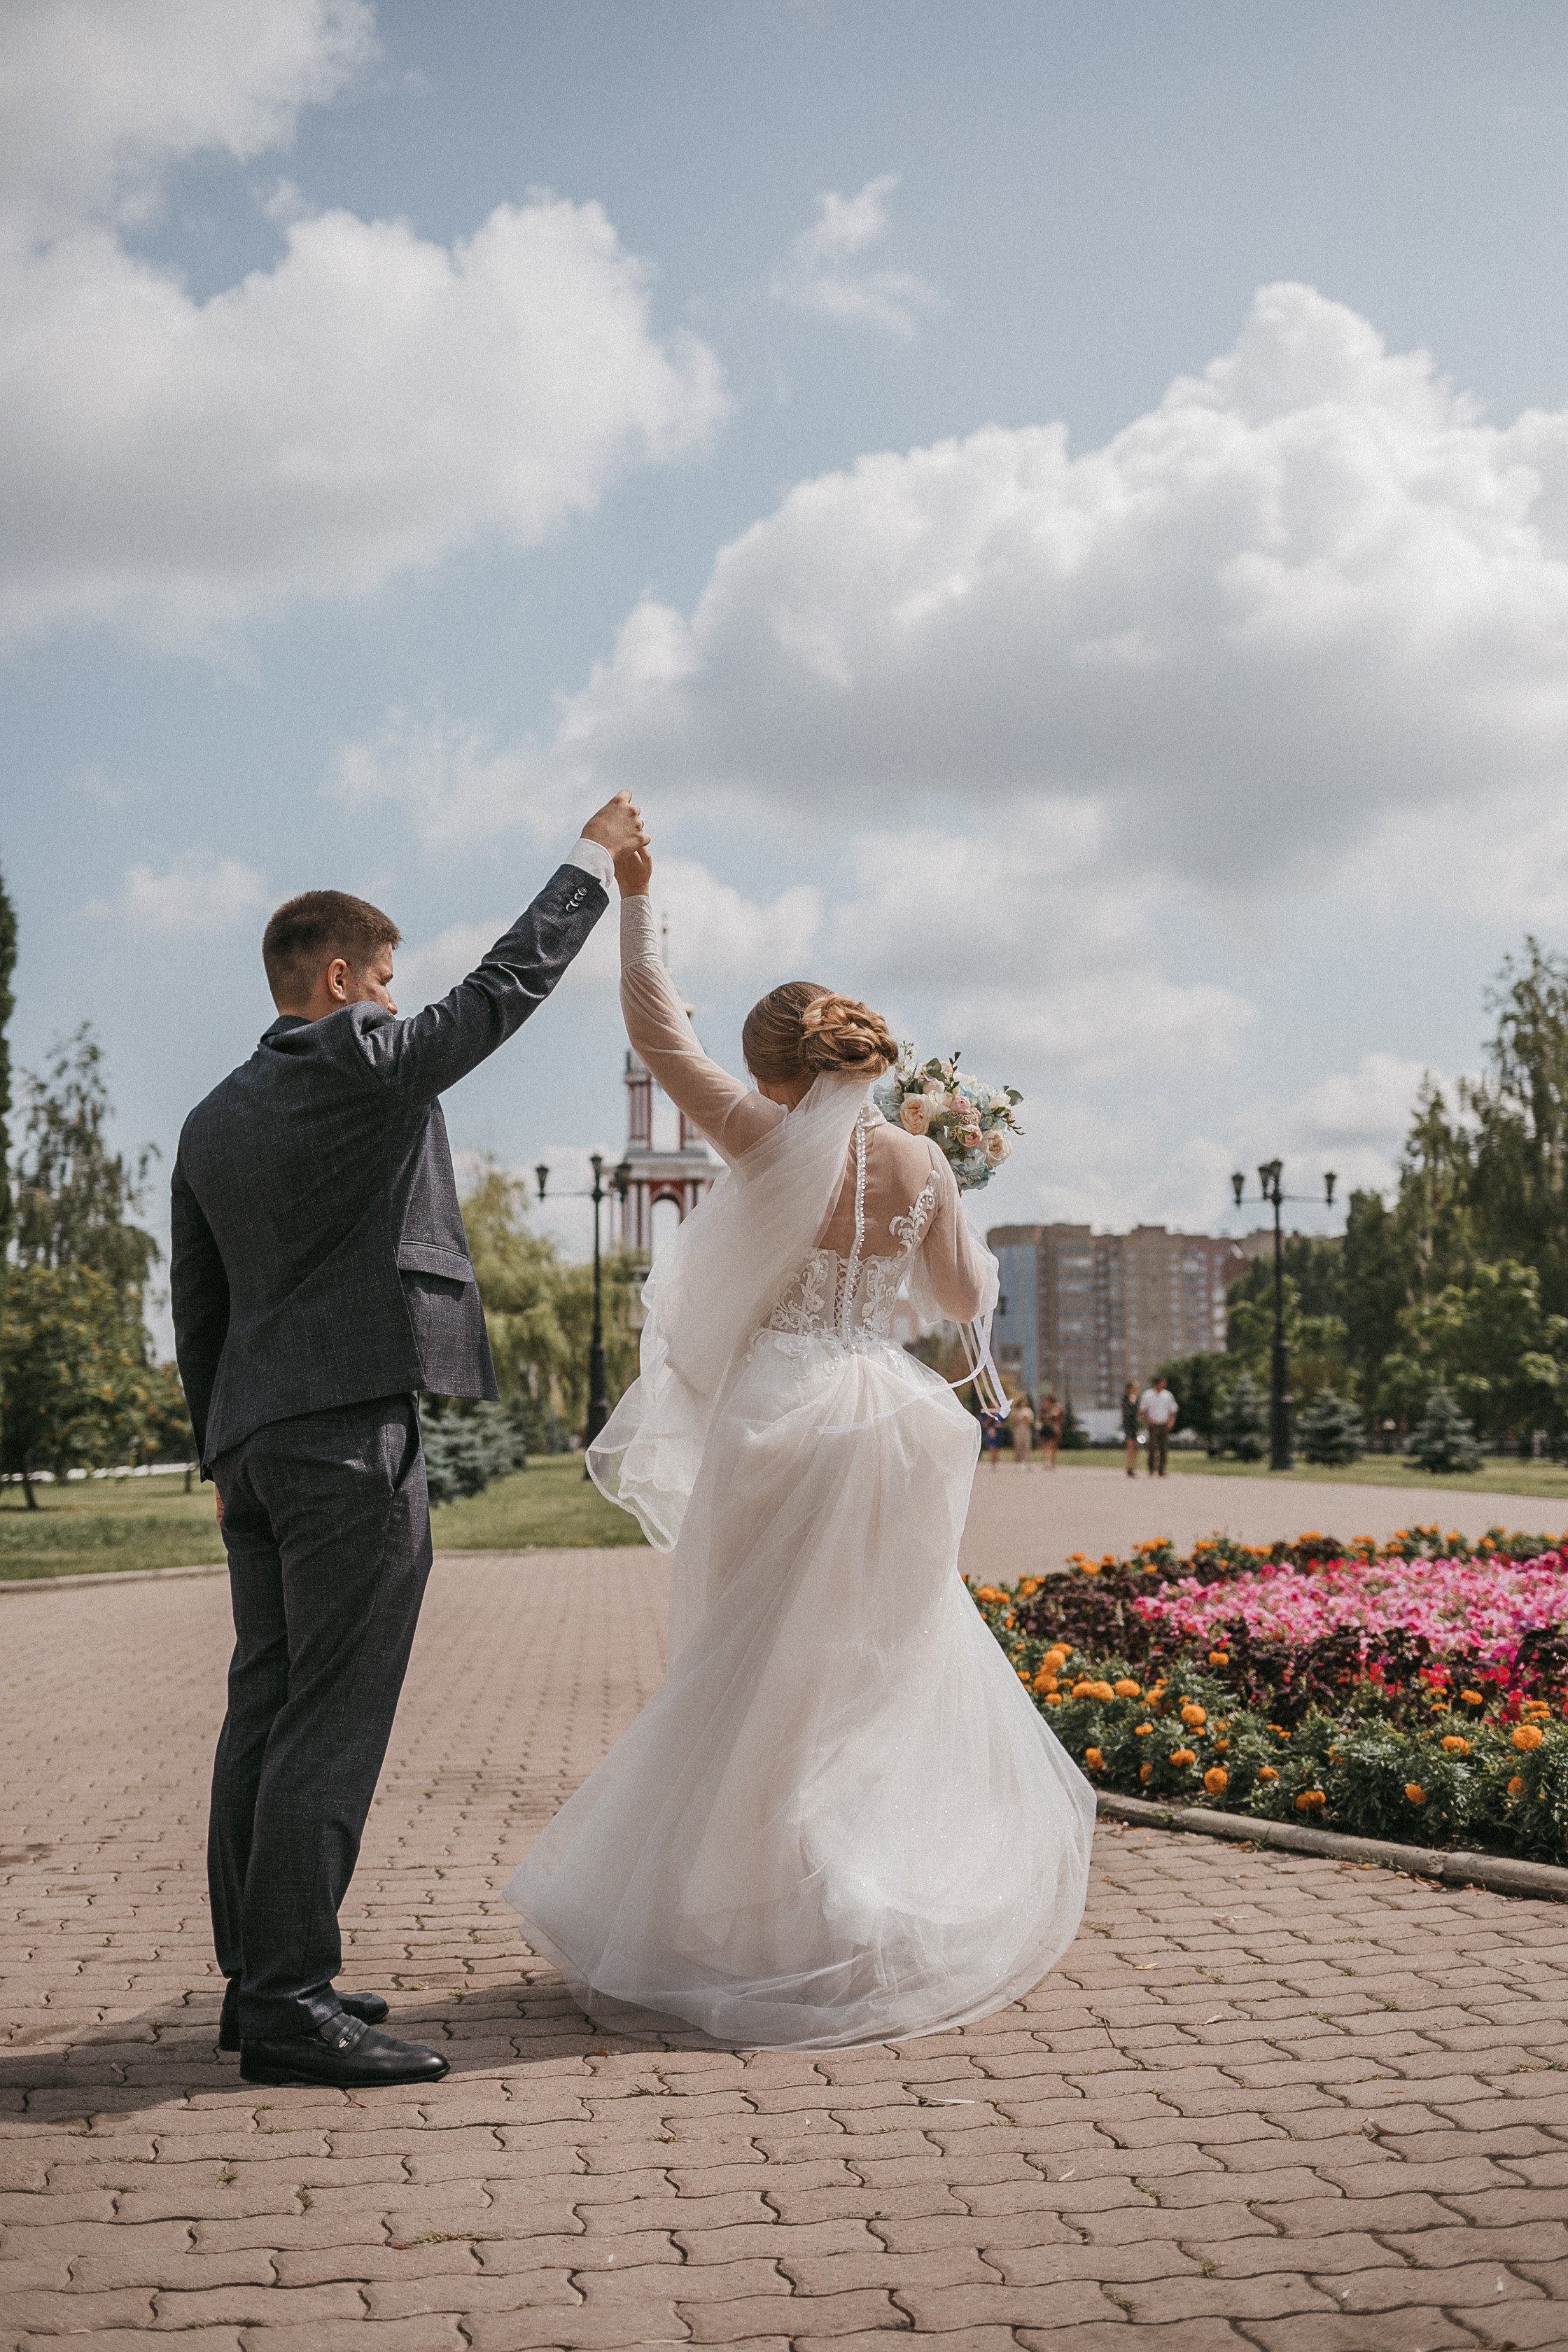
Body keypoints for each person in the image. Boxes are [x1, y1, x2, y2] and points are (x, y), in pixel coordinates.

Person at [505, 842, 1093, 2049]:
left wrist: (639, 895)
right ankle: (856, 1897)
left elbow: (656, 1028)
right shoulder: (924, 1160)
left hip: (778, 1417)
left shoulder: (761, 1139)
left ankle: (754, 1906)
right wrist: (950, 1184)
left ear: (773, 1073)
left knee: (748, 1664)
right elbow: (967, 1296)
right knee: (868, 1670)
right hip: (888, 1424)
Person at [170, 793, 646, 2090]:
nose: (398, 999)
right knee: (332, 1713)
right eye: (386, 979)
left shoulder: (212, 1116)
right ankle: (288, 2001)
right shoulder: (359, 1058)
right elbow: (498, 996)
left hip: (259, 1451)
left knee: (265, 1702)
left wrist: (222, 1460)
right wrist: (588, 865)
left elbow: (195, 1306)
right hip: (347, 1443)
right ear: (339, 978)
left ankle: (258, 1971)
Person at [1139, 1373, 1179, 1476]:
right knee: (1152, 1447)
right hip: (1153, 1425)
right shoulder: (1147, 1395)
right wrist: (1148, 1420)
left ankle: (1162, 1470)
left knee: (1163, 1448)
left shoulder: (1168, 1395)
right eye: (1162, 1383)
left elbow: (1173, 1410)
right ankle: (1151, 1469)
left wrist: (1171, 1422)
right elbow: (1142, 1411)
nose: (1164, 1385)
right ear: (1156, 1384)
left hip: (1164, 1424)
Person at [1039, 1390, 1064, 1469]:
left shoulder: (1057, 1407)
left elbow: (1061, 1417)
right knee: (1046, 1446)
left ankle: (1052, 1463)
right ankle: (1047, 1463)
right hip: (1046, 1429)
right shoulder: (1044, 1408)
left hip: (1055, 1428)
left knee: (1054, 1447)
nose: (1046, 1402)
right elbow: (1040, 1417)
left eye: (1047, 1400)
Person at [1121, 1379, 1141, 1477]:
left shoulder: (1137, 1398)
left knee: (1135, 1447)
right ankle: (1129, 1468)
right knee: (1130, 1446)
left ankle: (1133, 1467)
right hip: (1128, 1424)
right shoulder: (1125, 1398)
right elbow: (1128, 1412)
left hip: (1135, 1424)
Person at [1010, 1392, 1035, 1464]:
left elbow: (1031, 1421)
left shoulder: (1028, 1410)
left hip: (1026, 1429)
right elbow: (1013, 1421)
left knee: (1027, 1445)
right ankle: (1018, 1462)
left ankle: (1028, 1462)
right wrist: (1020, 1419)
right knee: (1018, 1446)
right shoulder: (1016, 1411)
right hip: (1018, 1430)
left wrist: (1027, 1419)